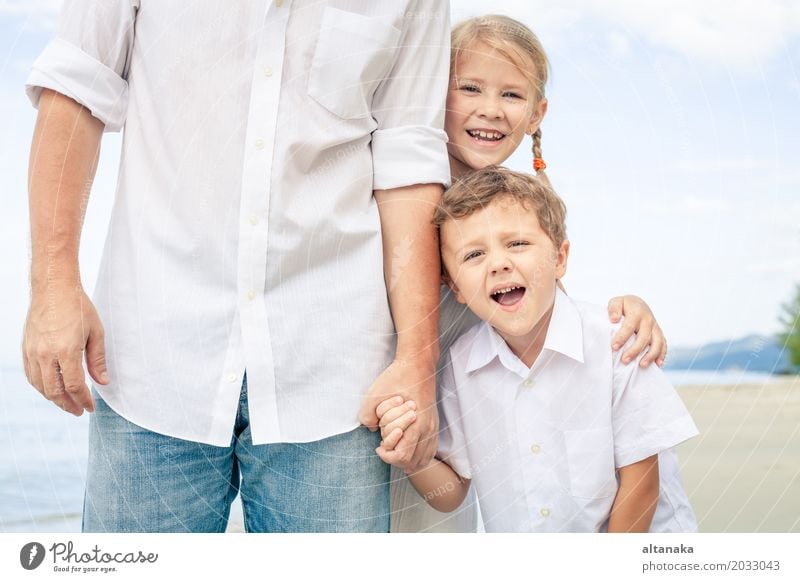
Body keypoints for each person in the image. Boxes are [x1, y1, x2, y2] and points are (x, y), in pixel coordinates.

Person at [22, 0, 452, 532]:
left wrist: (417, 358)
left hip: (336, 371)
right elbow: (76, 89)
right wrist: (53, 285)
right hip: (153, 357)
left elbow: (408, 161)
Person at [388, 14, 670, 533]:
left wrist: (630, 307)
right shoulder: (400, 187)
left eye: (512, 96)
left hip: (482, 397)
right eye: (469, 87)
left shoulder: (520, 202)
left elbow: (552, 304)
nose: (490, 109)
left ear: (538, 113)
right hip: (420, 403)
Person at [379, 166, 698, 532]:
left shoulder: (617, 344)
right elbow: (452, 491)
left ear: (560, 258)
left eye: (517, 243)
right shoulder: (461, 364)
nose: (499, 263)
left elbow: (641, 486)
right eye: (473, 255)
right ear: (457, 289)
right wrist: (414, 457)